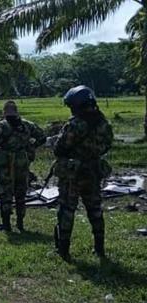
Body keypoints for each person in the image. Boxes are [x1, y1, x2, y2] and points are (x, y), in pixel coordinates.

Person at [54, 86, 114, 262]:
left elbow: (60, 148)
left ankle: (63, 250)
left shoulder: (75, 124)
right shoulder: (103, 123)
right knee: (95, 209)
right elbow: (107, 145)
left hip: (73, 174)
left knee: (67, 210)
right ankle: (99, 248)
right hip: (93, 172)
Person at [0, 101, 46, 232]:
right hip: (22, 161)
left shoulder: (2, 126)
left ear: (4, 112)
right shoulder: (27, 125)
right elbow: (42, 137)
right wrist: (31, 147)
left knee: (5, 192)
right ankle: (20, 223)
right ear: (16, 111)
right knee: (21, 192)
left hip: (6, 162)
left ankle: (6, 224)